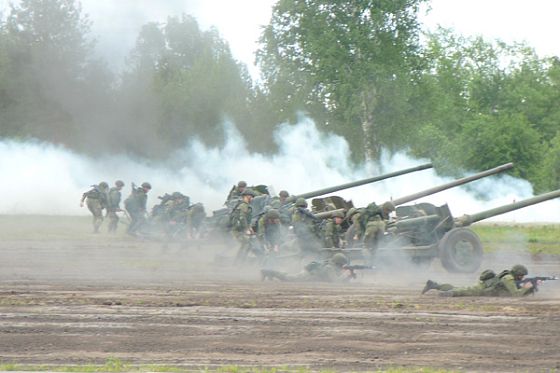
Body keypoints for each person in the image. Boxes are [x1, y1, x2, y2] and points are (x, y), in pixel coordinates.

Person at [422, 264, 535, 297]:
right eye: (521, 276)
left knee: (459, 288)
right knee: (462, 291)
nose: (522, 278)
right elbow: (515, 294)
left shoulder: (509, 276)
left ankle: (435, 285)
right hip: (483, 289)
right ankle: (446, 294)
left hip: (484, 288)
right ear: (517, 273)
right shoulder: (509, 278)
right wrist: (527, 287)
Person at [261, 253, 353, 283]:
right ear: (338, 263)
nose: (343, 267)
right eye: (342, 265)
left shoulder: (333, 266)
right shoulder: (329, 267)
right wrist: (345, 274)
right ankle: (268, 272)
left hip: (312, 274)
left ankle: (269, 273)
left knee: (289, 277)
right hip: (308, 274)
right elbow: (335, 281)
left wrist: (348, 275)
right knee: (289, 278)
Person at [230, 188, 256, 263]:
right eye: (251, 196)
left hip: (240, 229)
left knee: (246, 244)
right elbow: (242, 218)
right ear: (247, 196)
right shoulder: (243, 206)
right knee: (246, 244)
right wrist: (246, 229)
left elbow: (247, 219)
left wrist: (250, 228)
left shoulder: (246, 205)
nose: (252, 198)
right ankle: (238, 262)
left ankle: (239, 262)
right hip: (238, 230)